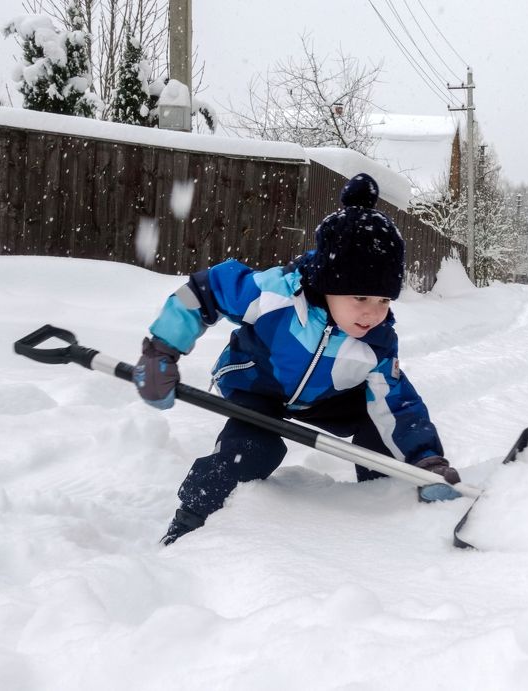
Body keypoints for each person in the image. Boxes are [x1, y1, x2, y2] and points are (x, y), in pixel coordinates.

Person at [133, 173, 462, 545]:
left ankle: (385, 511)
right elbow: (205, 289)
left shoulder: (377, 342)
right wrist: (162, 349)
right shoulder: (275, 294)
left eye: (384, 300)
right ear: (328, 282)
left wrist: (426, 460)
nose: (373, 313)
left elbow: (398, 405)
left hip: (332, 399)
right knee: (246, 454)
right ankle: (191, 523)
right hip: (260, 389)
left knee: (383, 438)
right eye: (361, 298)